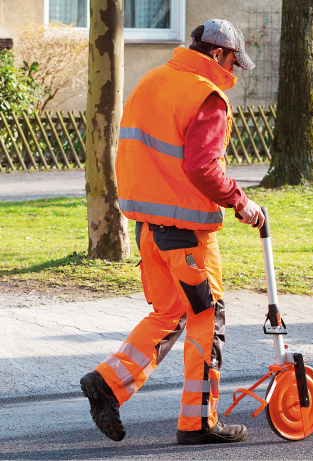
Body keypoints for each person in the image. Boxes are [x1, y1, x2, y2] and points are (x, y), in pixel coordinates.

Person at [80, 19, 265, 445]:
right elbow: (203, 168)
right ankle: (198, 421)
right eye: (234, 62)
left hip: (148, 228)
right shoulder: (206, 96)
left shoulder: (152, 80)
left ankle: (107, 384)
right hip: (187, 234)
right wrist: (241, 201)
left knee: (169, 314)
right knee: (205, 318)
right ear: (217, 54)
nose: (235, 73)